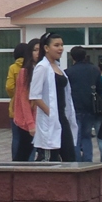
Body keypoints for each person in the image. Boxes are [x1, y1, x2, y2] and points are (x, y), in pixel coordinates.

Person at [30, 33, 79, 162]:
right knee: (49, 158)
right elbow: (35, 95)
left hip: (62, 117)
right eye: (56, 45)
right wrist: (50, 113)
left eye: (62, 45)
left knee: (70, 157)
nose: (60, 48)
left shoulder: (58, 67)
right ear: (46, 48)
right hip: (50, 118)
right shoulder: (42, 67)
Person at [64, 46, 101, 164]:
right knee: (86, 136)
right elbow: (101, 88)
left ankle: (77, 161)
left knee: (75, 136)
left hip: (74, 107)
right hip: (90, 107)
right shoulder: (94, 70)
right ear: (85, 56)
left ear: (72, 57)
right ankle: (88, 161)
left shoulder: (68, 72)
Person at [10, 38, 41, 162]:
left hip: (43, 119)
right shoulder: (25, 72)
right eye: (35, 50)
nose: (38, 53)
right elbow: (24, 99)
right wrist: (30, 123)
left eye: (40, 50)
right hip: (27, 121)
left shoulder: (46, 69)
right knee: (23, 154)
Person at [5, 41, 31, 161]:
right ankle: (30, 161)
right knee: (30, 137)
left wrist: (16, 96)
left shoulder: (13, 67)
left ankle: (15, 161)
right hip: (31, 106)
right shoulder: (32, 67)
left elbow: (9, 87)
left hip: (15, 108)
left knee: (16, 137)